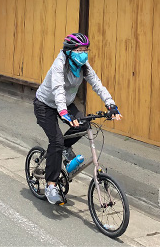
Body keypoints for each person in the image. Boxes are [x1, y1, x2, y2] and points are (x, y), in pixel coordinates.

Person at [34, 33, 122, 205]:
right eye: (79, 50)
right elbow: (58, 89)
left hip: (65, 104)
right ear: (68, 51)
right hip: (45, 105)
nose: (83, 53)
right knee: (57, 141)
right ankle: (51, 184)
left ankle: (65, 150)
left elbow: (97, 84)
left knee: (84, 124)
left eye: (85, 49)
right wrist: (64, 113)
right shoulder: (59, 64)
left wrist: (111, 105)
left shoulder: (83, 65)